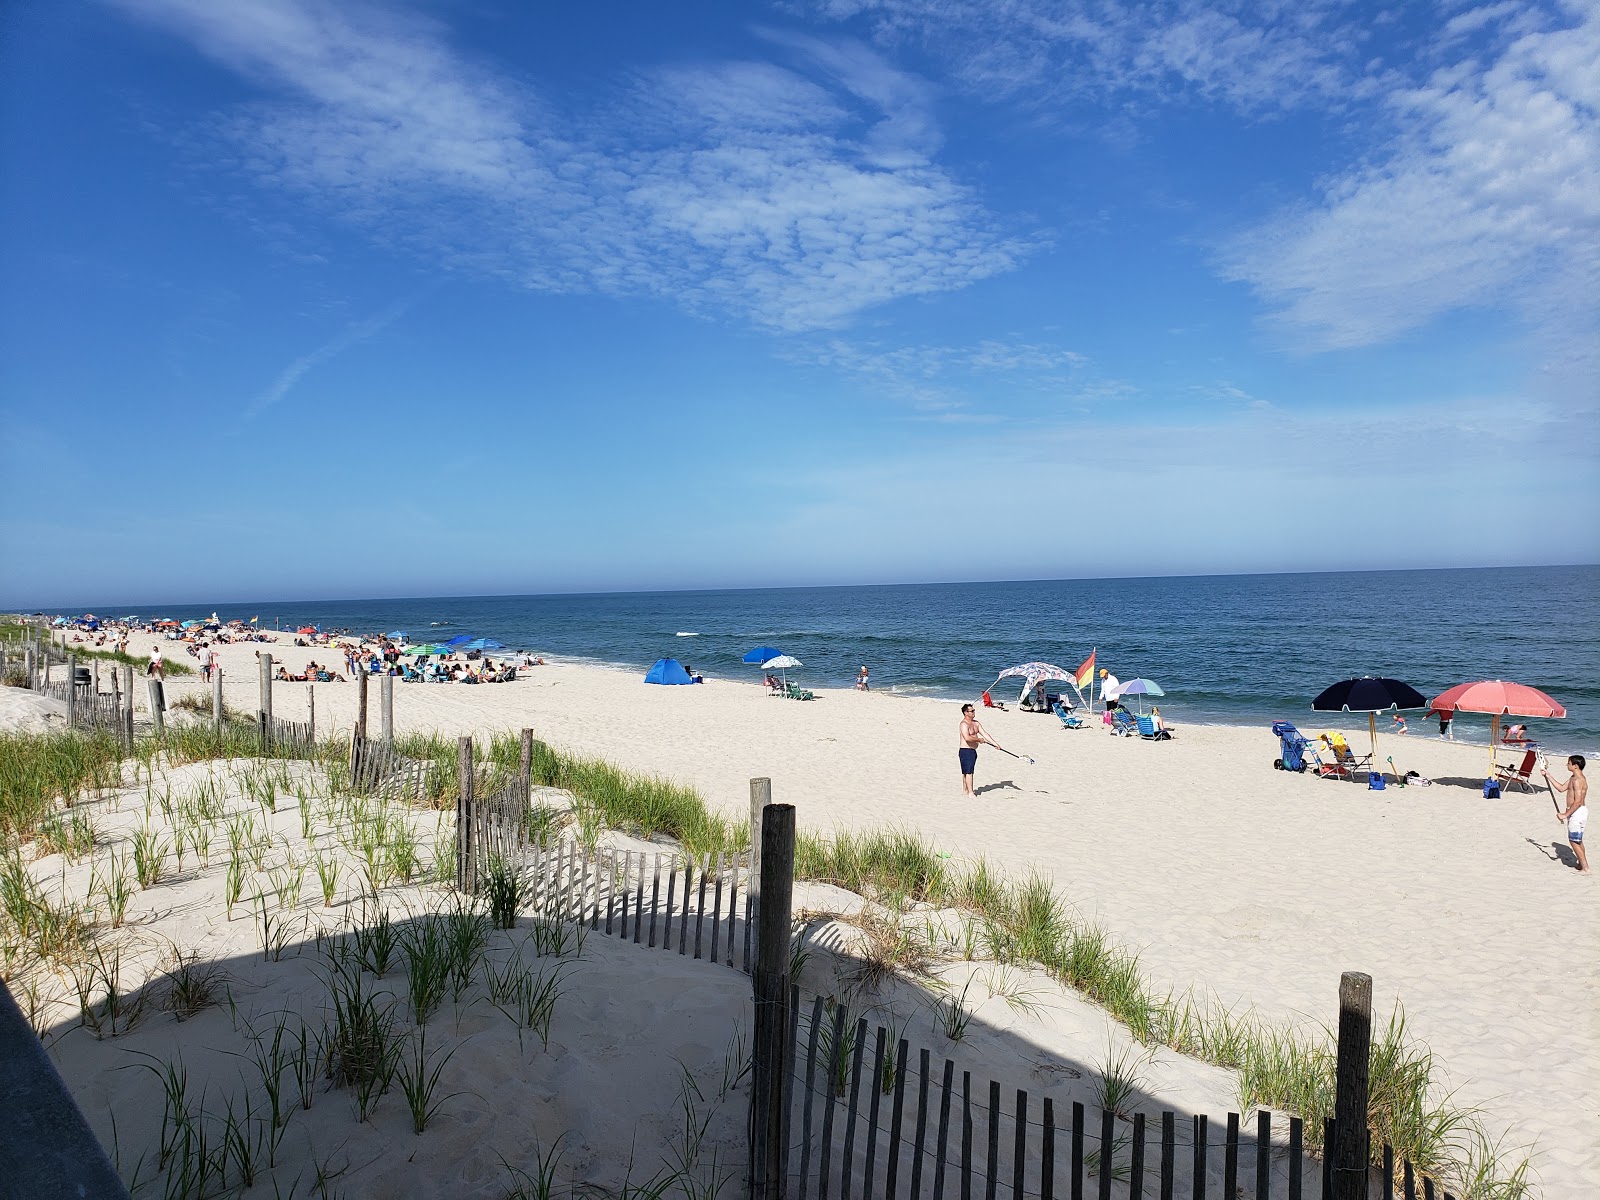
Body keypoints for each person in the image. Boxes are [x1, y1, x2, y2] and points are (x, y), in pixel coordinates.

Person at [1544, 755, 1589, 874]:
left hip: (1577, 812)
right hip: (1574, 812)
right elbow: (1561, 788)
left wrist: (1565, 814)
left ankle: (1586, 868)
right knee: (1577, 840)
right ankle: (1581, 864)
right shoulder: (1573, 778)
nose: (1567, 765)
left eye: (1568, 763)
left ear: (1575, 766)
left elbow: (1578, 801)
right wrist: (1548, 776)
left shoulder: (1579, 780)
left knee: (1573, 841)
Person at [957, 702, 1002, 797]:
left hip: (972, 751)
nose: (974, 712)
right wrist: (979, 740)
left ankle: (965, 790)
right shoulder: (963, 724)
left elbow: (985, 733)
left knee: (967, 770)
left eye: (974, 710)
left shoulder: (976, 723)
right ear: (966, 713)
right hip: (965, 750)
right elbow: (967, 738)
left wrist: (995, 744)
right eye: (971, 711)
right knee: (968, 772)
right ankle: (970, 792)